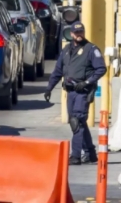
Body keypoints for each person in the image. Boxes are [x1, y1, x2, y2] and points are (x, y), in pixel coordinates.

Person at [44, 21, 107, 165]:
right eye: (77, 33)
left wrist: (86, 82)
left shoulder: (91, 49)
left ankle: (76, 155)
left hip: (83, 91)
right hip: (70, 91)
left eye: (81, 32)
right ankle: (91, 153)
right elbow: (58, 71)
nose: (79, 35)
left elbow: (101, 69)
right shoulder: (66, 50)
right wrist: (49, 88)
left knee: (76, 122)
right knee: (80, 123)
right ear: (71, 34)